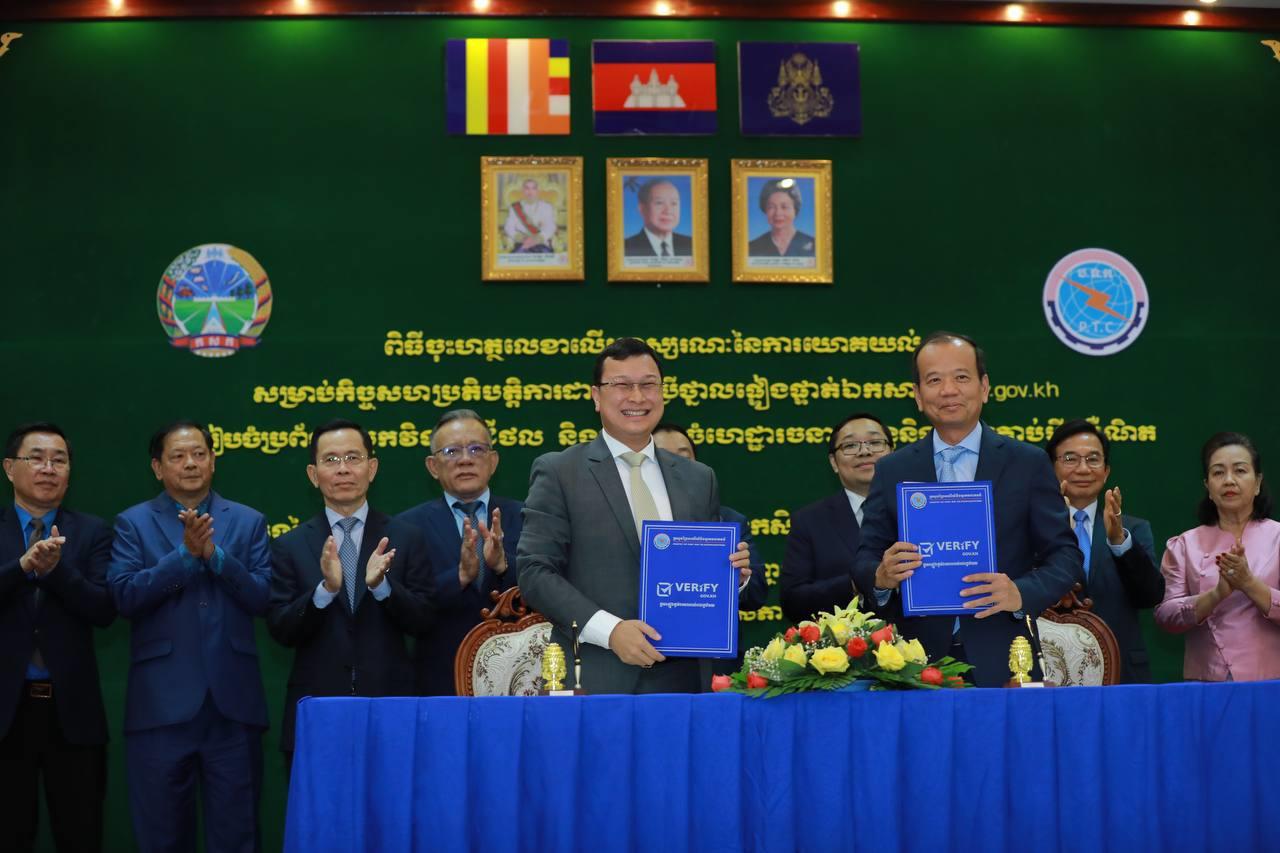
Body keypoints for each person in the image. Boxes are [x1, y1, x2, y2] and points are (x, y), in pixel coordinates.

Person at [518, 337, 753, 694]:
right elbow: (535, 572)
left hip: (685, 679)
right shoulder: (560, 472)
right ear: (596, 397)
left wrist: (730, 577)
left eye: (648, 385)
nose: (638, 397)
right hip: (596, 676)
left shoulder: (698, 477)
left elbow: (700, 572)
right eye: (622, 385)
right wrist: (611, 631)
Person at [852, 332, 1083, 686]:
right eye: (934, 380)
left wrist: (1020, 592)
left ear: (984, 387)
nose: (948, 390)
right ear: (918, 396)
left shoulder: (1028, 463)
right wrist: (881, 577)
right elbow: (864, 556)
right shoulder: (892, 469)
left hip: (1006, 656)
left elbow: (1065, 556)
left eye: (961, 377)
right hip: (912, 661)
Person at [109, 420, 271, 853]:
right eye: (178, 456)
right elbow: (125, 596)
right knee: (162, 838)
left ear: (213, 460)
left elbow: (262, 597)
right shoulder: (132, 523)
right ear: (157, 467)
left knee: (237, 837)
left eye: (199, 453)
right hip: (159, 708)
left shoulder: (249, 521)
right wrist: (184, 556)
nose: (190, 463)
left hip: (232, 706)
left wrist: (214, 556)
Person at [268, 419, 435, 764]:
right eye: (331, 460)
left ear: (371, 468)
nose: (343, 469)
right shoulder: (289, 545)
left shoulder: (406, 537)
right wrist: (325, 591)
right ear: (313, 474)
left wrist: (382, 587)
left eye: (353, 458)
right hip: (318, 711)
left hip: (391, 708)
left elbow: (425, 621)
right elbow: (281, 629)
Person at [0, 423, 114, 853]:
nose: (48, 468)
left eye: (59, 460)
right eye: (36, 458)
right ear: (9, 468)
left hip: (73, 716)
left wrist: (56, 572)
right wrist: (23, 567)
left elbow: (104, 609)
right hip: (5, 715)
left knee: (80, 836)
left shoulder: (93, 532)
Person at [396, 409, 522, 696]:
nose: (466, 459)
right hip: (439, 683)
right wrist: (460, 576)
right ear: (433, 466)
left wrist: (503, 566)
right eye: (451, 451)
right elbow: (406, 610)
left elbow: (546, 593)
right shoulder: (406, 528)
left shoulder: (528, 517)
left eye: (477, 449)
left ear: (493, 461)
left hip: (517, 679)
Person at [1155, 432, 1280, 681]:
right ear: (1208, 487)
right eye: (1218, 472)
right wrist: (1216, 594)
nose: (1229, 480)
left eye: (1240, 471)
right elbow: (1165, 616)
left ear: (1257, 482)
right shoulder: (1185, 544)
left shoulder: (1277, 537)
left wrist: (1249, 583)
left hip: (1270, 683)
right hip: (1206, 683)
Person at [1046, 419, 1163, 683]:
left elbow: (1150, 595)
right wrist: (1054, 529)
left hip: (1121, 673)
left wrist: (1119, 541)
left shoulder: (1133, 529)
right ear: (1051, 468)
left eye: (1093, 459)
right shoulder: (1031, 528)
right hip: (1051, 671)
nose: (1083, 469)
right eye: (1070, 459)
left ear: (1106, 471)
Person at [652, 422, 765, 673]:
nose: (675, 467)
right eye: (664, 458)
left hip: (714, 664)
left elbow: (757, 594)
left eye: (684, 458)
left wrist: (738, 581)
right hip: (645, 658)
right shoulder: (633, 521)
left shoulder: (728, 521)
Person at [780, 412, 893, 624]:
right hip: (843, 642)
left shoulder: (916, 510)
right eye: (850, 446)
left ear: (892, 453)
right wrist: (860, 581)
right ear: (834, 462)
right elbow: (792, 601)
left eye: (875, 442)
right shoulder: (809, 521)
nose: (865, 451)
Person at [623, 179, 693, 258]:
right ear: (642, 209)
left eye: (674, 203)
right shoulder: (626, 247)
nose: (668, 211)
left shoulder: (692, 244)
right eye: (659, 203)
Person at [747, 179, 815, 258]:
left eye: (784, 207)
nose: (778, 213)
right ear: (765, 210)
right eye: (771, 207)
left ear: (795, 209)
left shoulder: (814, 245)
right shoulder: (752, 247)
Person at [502, 177, 557, 253]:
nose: (530, 192)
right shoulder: (515, 207)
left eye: (533, 188)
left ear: (538, 191)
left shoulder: (546, 207)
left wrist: (538, 238)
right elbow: (508, 227)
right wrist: (521, 238)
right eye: (527, 188)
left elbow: (550, 226)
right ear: (523, 191)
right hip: (522, 244)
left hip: (541, 244)